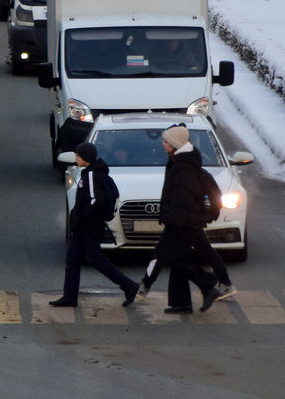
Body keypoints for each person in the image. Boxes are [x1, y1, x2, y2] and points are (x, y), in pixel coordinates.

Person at [49, 142, 141, 308]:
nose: (76, 158)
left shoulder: (92, 175)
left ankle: (129, 286)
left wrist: (80, 216)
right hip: (83, 226)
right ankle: (69, 297)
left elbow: (95, 200)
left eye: (78, 155)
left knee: (95, 259)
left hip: (89, 226)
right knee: (73, 259)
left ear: (85, 158)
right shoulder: (91, 173)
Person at [153, 124, 224, 314]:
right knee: (178, 259)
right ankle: (182, 303)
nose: (163, 144)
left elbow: (182, 198)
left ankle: (207, 284)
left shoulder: (183, 166)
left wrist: (173, 221)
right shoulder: (177, 160)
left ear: (175, 144)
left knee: (174, 259)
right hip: (179, 219)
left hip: (180, 221)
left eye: (166, 141)